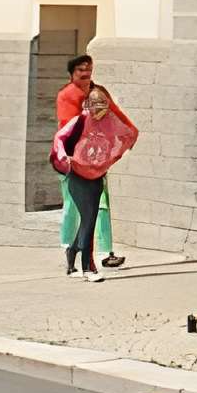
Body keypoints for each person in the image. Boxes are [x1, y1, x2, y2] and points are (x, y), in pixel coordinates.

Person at [51, 54, 134, 280]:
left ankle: (87, 255)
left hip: (96, 166)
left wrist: (130, 132)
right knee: (79, 210)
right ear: (72, 73)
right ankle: (81, 260)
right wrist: (67, 158)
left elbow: (115, 113)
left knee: (96, 210)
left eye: (89, 69)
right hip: (75, 165)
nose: (86, 73)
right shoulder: (69, 98)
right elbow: (65, 134)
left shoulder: (97, 92)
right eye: (80, 70)